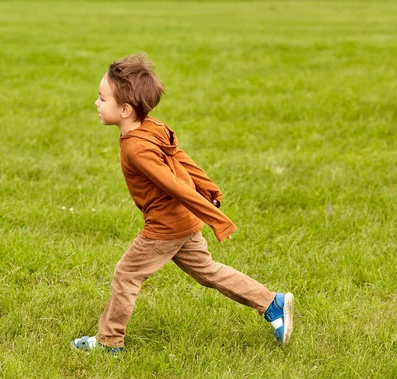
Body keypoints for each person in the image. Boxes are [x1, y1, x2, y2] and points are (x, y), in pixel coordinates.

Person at [72, 53, 294, 354]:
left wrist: (216, 216)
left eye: (102, 99)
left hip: (166, 225)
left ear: (125, 109)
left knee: (127, 273)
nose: (96, 104)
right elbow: (179, 155)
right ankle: (272, 303)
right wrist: (208, 186)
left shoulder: (136, 148)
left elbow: (173, 184)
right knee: (208, 271)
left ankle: (110, 341)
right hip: (182, 220)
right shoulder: (151, 126)